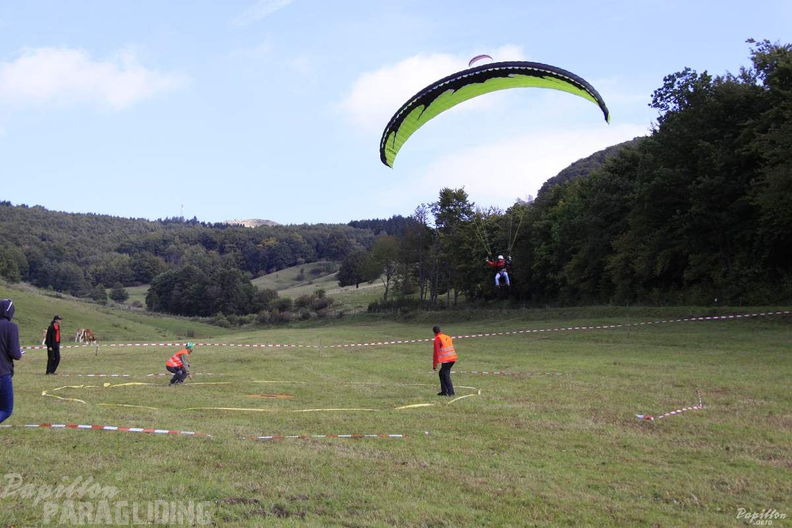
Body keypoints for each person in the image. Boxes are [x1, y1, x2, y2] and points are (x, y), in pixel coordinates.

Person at [0, 299, 23, 423]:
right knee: (6, 410)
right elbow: (15, 354)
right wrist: (20, 353)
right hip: (2, 373)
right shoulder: (11, 327)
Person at [432, 325, 457, 396]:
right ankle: (444, 391)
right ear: (440, 330)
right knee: (442, 373)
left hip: (447, 360)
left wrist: (434, 366)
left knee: (445, 375)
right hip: (453, 358)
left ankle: (451, 392)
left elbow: (436, 353)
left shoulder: (437, 338)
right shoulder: (447, 336)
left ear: (434, 332)